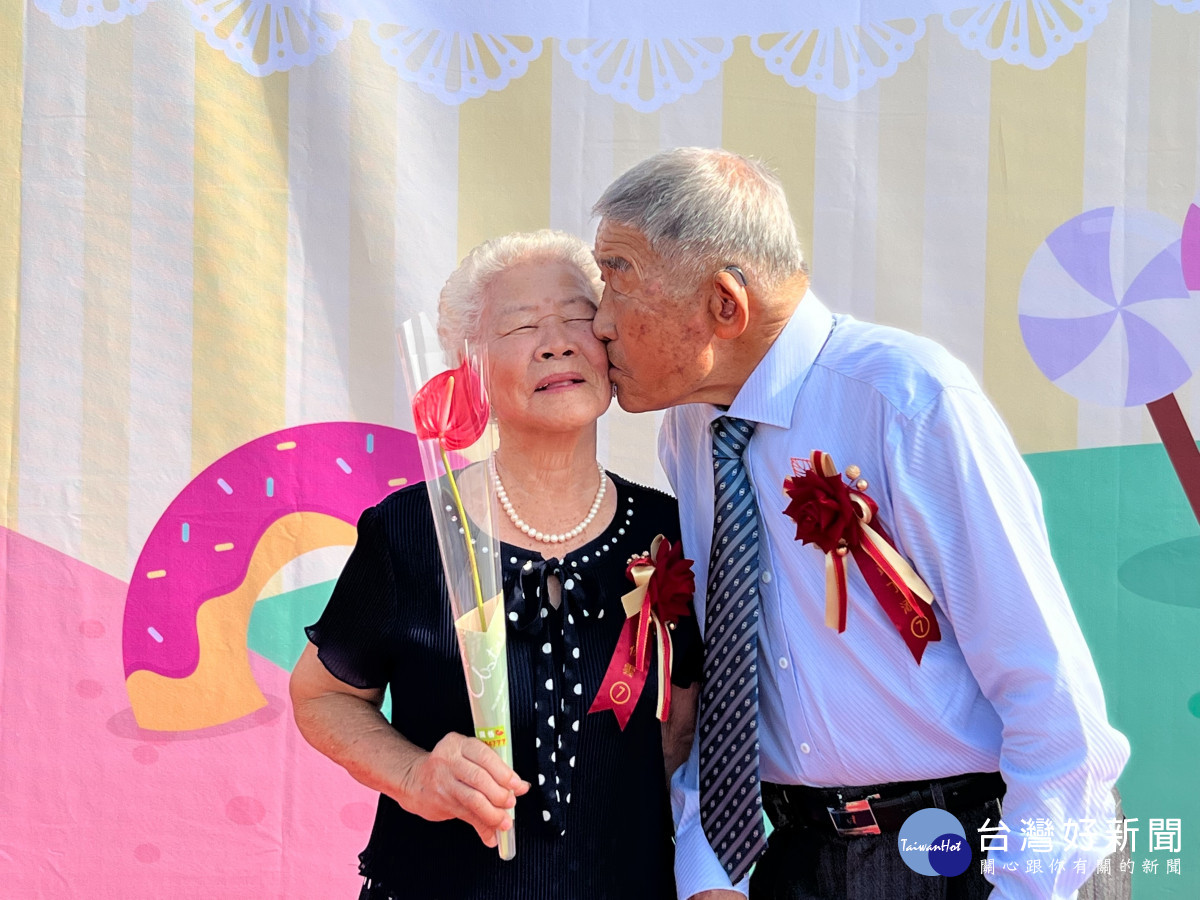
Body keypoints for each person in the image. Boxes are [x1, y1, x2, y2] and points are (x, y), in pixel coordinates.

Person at [589, 148, 1131, 900]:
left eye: (618, 279)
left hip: (974, 849)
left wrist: (1026, 887)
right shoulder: (690, 429)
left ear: (724, 304)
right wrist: (709, 864)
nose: (599, 321)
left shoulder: (906, 401)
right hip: (807, 854)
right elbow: (732, 675)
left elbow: (1051, 695)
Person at [290, 229, 701, 899]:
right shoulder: (410, 532)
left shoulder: (669, 531)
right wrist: (416, 777)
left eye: (577, 318)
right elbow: (324, 696)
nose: (557, 341)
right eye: (522, 325)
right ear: (470, 366)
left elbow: (686, 724)